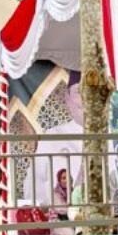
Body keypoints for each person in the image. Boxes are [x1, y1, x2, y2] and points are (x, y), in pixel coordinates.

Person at [25, 72, 84, 206]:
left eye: (93, 92)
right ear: (67, 98)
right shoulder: (52, 137)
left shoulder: (116, 135)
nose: (87, 99)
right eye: (79, 91)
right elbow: (33, 185)